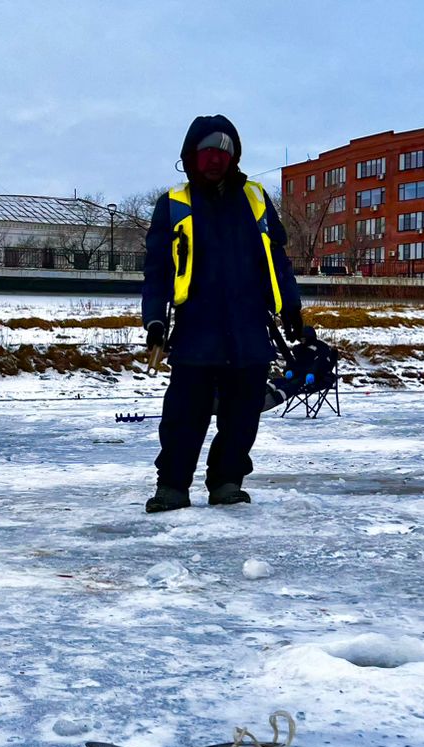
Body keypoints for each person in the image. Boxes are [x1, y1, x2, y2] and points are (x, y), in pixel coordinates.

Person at [141, 114, 302, 513]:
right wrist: (155, 320)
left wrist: (292, 308)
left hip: (250, 330)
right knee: (183, 415)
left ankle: (227, 481)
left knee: (242, 415)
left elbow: (278, 261)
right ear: (191, 156)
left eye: (225, 150)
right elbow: (157, 270)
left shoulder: (256, 199)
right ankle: (172, 486)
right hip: (196, 330)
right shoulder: (173, 204)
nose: (216, 158)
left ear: (235, 156)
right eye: (208, 150)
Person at [265, 326, 335, 409]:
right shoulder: (300, 348)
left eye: (303, 338)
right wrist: (289, 370)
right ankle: (256, 396)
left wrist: (312, 373)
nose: (302, 340)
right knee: (276, 382)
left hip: (317, 378)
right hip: (299, 375)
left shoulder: (321, 347)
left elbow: (321, 363)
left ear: (309, 337)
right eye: (301, 338)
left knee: (291, 386)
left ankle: (266, 403)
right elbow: (295, 363)